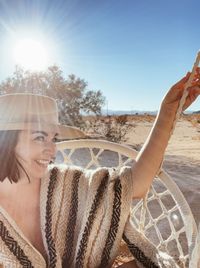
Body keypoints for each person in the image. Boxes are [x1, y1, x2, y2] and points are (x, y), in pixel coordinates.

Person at [0, 70, 199, 268]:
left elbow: (135, 183)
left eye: (54, 139)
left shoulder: (62, 184)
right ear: (5, 141)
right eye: (39, 137)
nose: (52, 150)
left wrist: (168, 111)